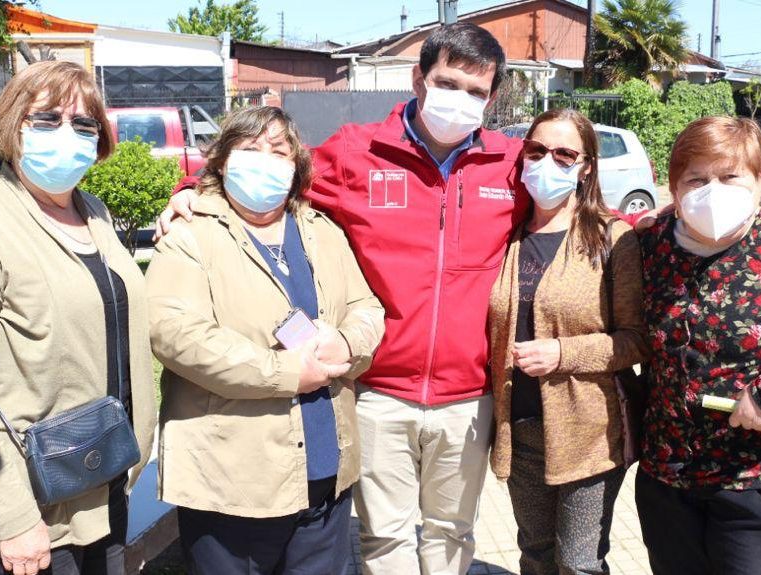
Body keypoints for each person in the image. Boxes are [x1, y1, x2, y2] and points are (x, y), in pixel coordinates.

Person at [156, 23, 526, 574]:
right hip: (379, 393)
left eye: (477, 92)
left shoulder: (510, 163)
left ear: (492, 97)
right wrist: (190, 192)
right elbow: (267, 173)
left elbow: (572, 213)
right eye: (449, 83)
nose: (461, 101)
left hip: (467, 397)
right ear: (417, 79)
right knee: (385, 541)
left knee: (453, 536)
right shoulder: (358, 152)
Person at [0, 60, 156, 575]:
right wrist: (15, 519)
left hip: (101, 488)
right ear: (12, 125)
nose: (69, 134)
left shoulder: (93, 211)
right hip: (27, 511)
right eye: (47, 119)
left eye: (84, 124)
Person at [146, 105, 385, 575]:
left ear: (297, 164)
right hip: (233, 486)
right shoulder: (191, 234)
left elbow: (368, 308)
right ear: (221, 161)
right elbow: (175, 334)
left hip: (325, 478)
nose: (265, 159)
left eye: (279, 150)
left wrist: (349, 343)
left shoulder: (322, 230)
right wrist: (286, 373)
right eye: (250, 148)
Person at [635, 116, 761, 575]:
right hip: (669, 477)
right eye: (697, 179)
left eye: (729, 176)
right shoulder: (651, 246)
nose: (713, 191)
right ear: (674, 188)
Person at [487, 108, 648, 574]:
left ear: (587, 166)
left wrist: (563, 353)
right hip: (520, 427)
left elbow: (636, 340)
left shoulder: (612, 239)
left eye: (564, 154)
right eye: (536, 151)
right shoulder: (507, 237)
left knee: (578, 563)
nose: (547, 163)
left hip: (589, 431)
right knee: (535, 554)